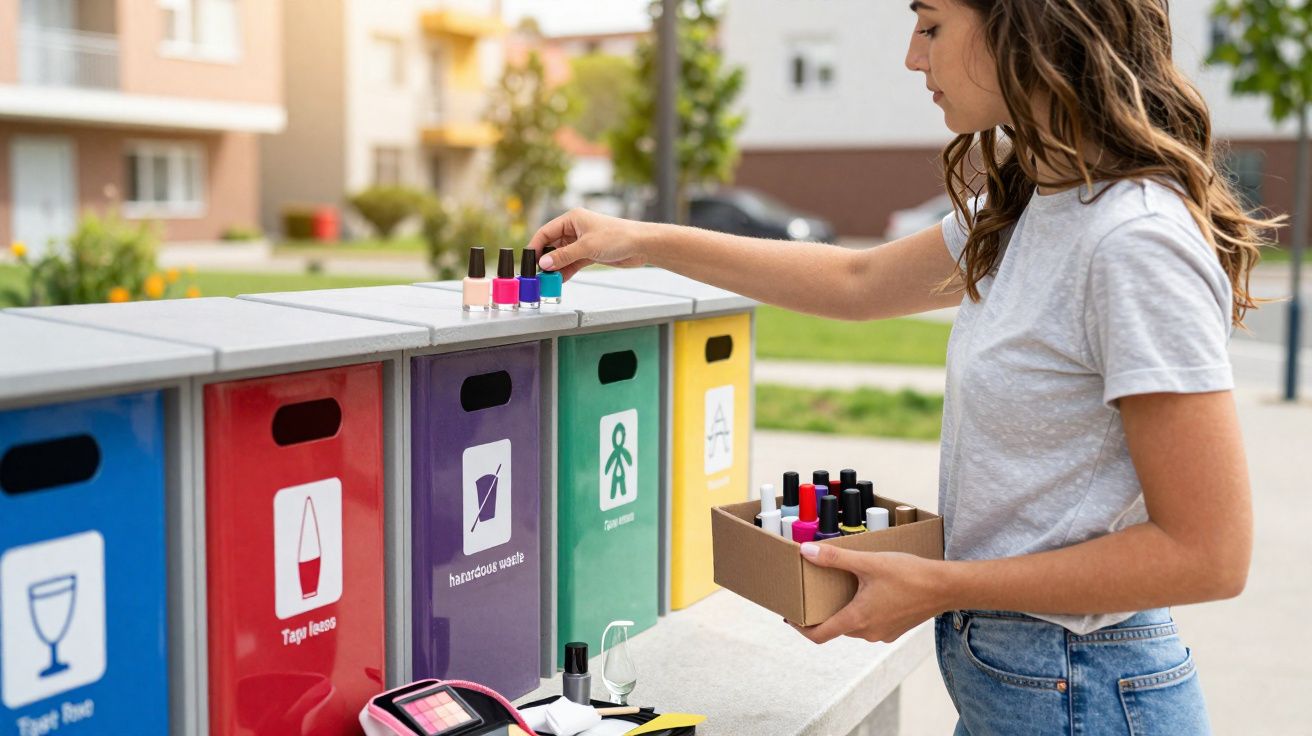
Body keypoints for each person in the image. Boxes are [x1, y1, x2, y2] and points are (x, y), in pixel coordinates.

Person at [527, 0, 1275, 732]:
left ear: (1028, 23)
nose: (913, 56)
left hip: (1081, 690)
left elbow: (1208, 553)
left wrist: (939, 585)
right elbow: (859, 284)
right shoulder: (1029, 201)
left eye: (931, 26)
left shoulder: (1134, 240)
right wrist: (644, 240)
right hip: (1023, 682)